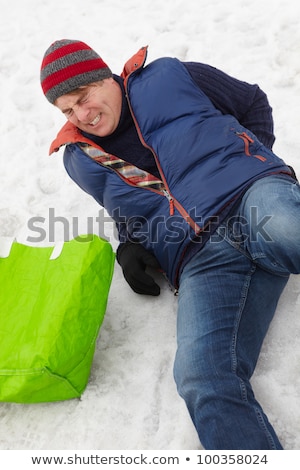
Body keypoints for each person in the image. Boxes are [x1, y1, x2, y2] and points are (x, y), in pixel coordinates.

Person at [40, 39, 300, 450]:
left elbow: (252, 102)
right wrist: (129, 248)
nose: (82, 115)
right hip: (201, 257)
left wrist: (252, 158)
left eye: (83, 98)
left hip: (250, 197)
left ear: (105, 77)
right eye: (67, 110)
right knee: (202, 377)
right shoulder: (80, 158)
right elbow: (126, 206)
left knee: (290, 232)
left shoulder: (169, 77)